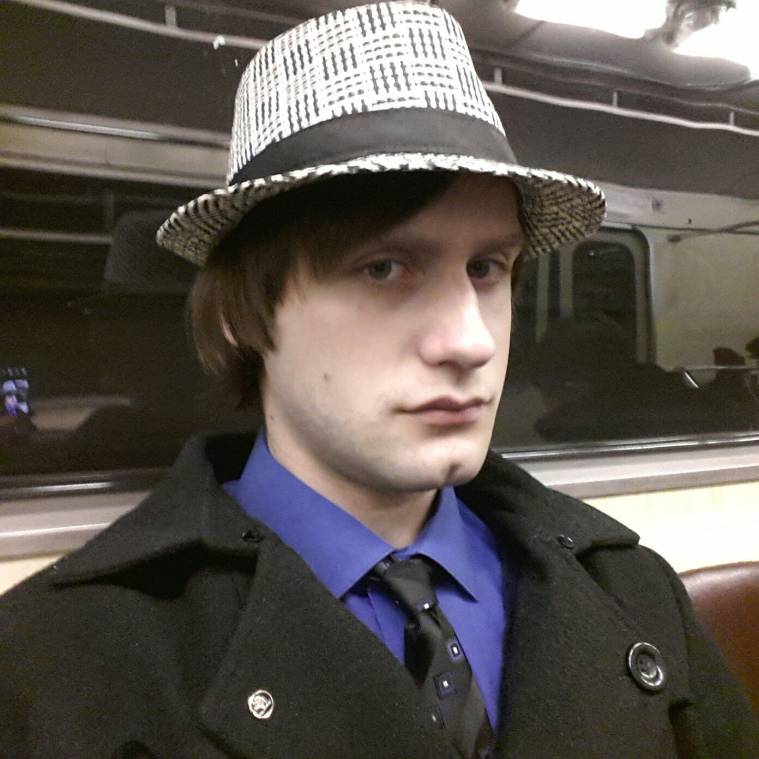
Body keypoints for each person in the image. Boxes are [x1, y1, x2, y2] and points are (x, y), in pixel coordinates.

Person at [1, 3, 756, 758]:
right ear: (241, 315)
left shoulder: (629, 587)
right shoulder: (60, 667)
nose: (470, 341)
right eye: (384, 268)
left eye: (486, 268)